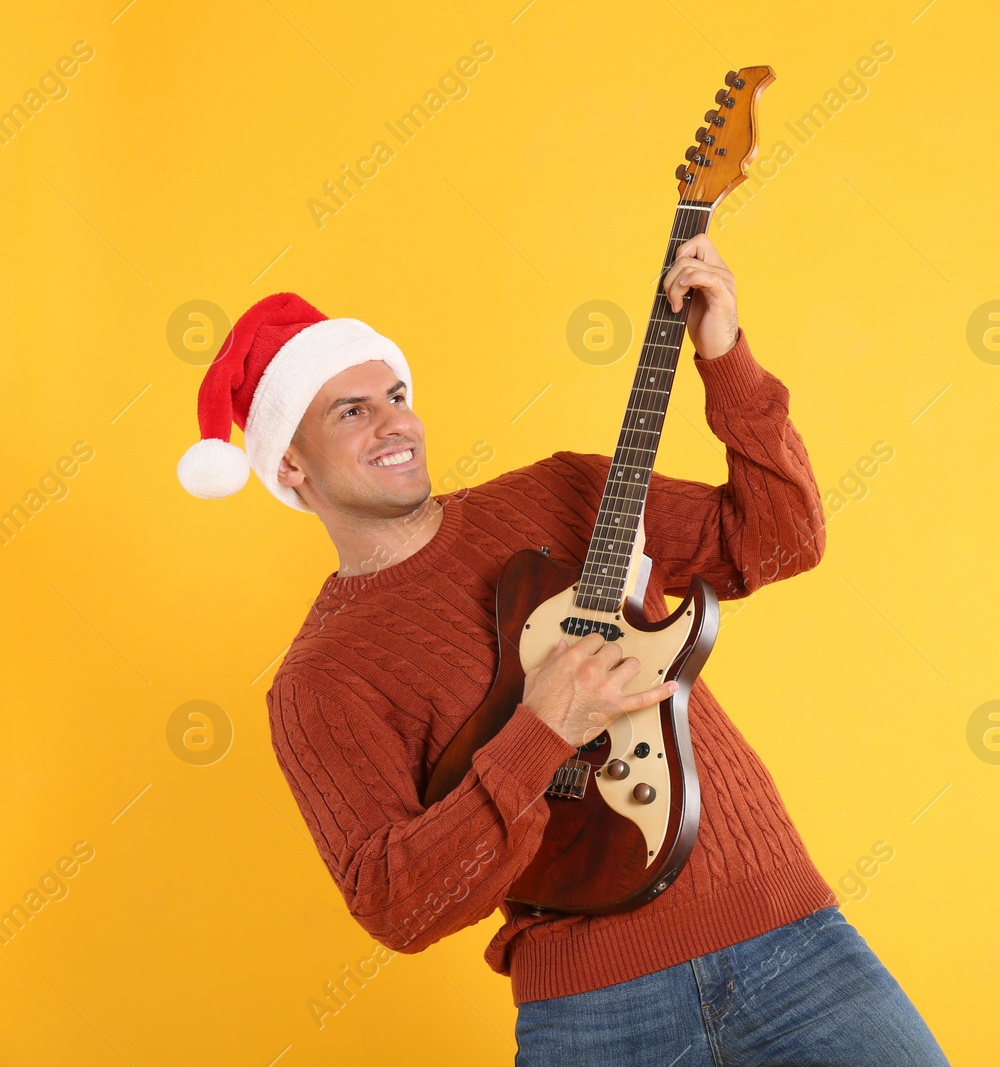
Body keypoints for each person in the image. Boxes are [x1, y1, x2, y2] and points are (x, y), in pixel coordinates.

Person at [174, 236, 950, 1065]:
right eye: (351, 410)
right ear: (290, 464)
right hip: (594, 1012)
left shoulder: (563, 492)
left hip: (791, 943)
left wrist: (725, 358)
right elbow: (398, 904)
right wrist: (540, 727)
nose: (394, 420)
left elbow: (780, 538)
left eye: (395, 393)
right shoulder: (321, 677)